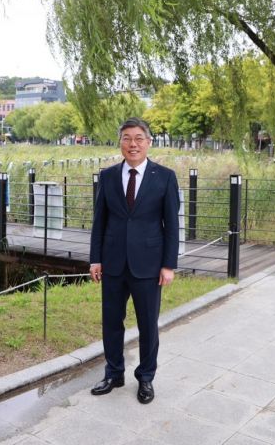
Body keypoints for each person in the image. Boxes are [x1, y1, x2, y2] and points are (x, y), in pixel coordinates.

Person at [89, 117, 180, 404]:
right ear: (120, 143)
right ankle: (114, 373)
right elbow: (99, 222)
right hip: (113, 263)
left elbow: (172, 226)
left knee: (148, 325)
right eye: (127, 138)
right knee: (111, 322)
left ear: (148, 142)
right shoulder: (107, 177)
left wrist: (168, 265)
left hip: (149, 265)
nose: (133, 144)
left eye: (139, 138)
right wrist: (95, 259)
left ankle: (146, 378)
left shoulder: (164, 177)